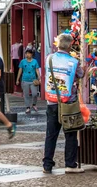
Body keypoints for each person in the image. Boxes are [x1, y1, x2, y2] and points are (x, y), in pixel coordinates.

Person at [43, 33, 85, 174]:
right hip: (68, 103)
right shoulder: (73, 62)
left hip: (51, 101)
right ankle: (70, 164)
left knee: (51, 135)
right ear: (70, 45)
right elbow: (80, 74)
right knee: (71, 134)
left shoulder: (49, 58)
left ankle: (47, 165)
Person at [17, 49, 42, 114]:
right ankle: (27, 107)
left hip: (33, 80)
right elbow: (20, 70)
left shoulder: (35, 61)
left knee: (34, 94)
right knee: (26, 95)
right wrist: (17, 79)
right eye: (26, 53)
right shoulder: (22, 62)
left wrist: (39, 78)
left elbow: (37, 70)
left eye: (28, 53)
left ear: (31, 54)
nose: (27, 55)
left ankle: (34, 104)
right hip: (25, 80)